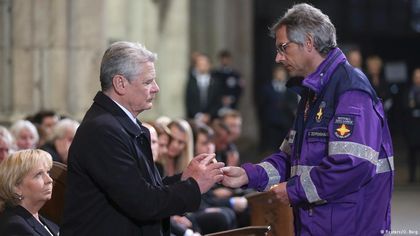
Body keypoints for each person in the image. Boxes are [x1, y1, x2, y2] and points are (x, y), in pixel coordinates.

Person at [221, 3, 394, 236]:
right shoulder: (312, 93)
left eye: (283, 48)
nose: (278, 58)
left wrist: (294, 190)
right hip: (319, 223)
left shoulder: (350, 89)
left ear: (309, 43)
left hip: (348, 226)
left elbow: (352, 165)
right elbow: (289, 158)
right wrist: (248, 175)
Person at [61, 41, 225, 236]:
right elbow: (142, 203)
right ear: (120, 83)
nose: (156, 88)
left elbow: (146, 189)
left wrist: (184, 179)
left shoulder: (119, 124)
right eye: (147, 82)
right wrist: (194, 186)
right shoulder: (102, 130)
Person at [0, 149, 59, 235]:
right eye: (38, 174)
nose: (49, 180)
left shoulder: (46, 221)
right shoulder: (15, 227)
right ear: (16, 187)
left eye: (48, 173)